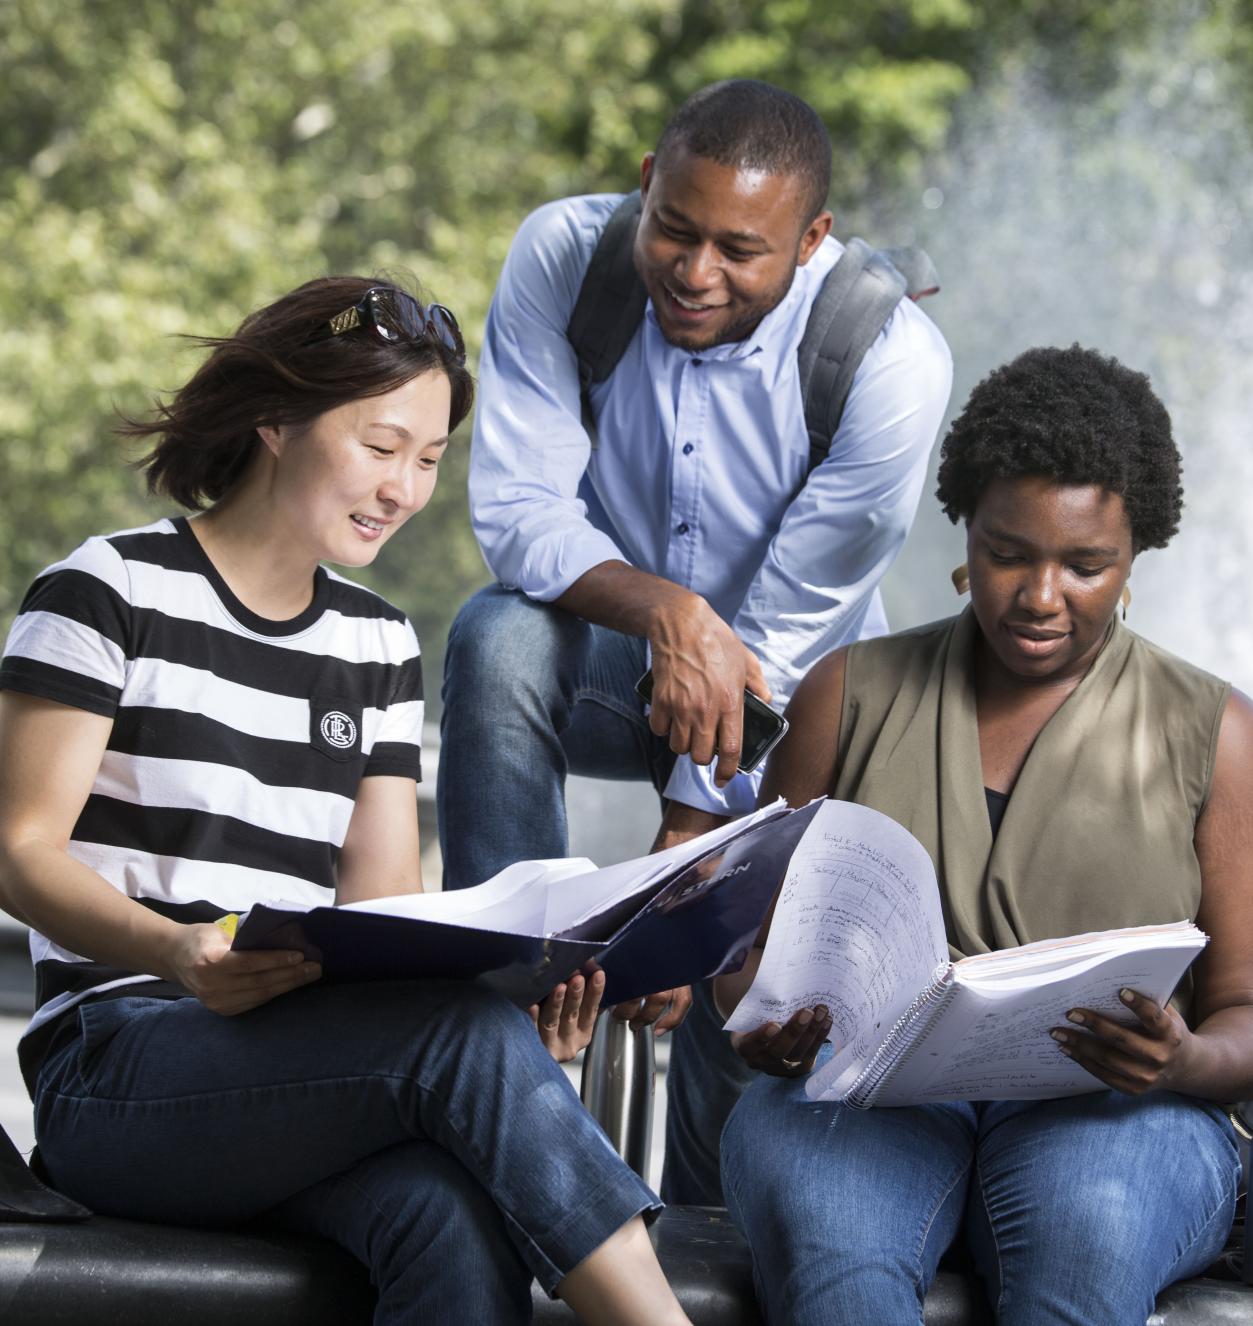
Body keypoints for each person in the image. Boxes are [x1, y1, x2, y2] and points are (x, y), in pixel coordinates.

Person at [0, 277, 694, 1326]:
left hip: (301, 1070)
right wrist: (179, 954)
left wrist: (516, 1029)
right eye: (381, 448)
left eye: (427, 461)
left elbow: (387, 918)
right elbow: (18, 852)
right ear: (276, 420)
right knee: (452, 1044)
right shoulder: (105, 591)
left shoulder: (376, 642)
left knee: (444, 1214)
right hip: (116, 1066)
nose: (404, 490)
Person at [438, 78, 953, 1203]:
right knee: (496, 638)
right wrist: (668, 613)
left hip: (800, 718)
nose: (692, 270)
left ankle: (712, 1239)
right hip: (621, 668)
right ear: (644, 188)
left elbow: (787, 626)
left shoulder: (889, 359)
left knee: (742, 1010)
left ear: (810, 240)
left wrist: (676, 900)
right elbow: (519, 512)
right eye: (673, 227)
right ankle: (504, 1032)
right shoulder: (562, 256)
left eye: (738, 249)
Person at [714, 344, 1253, 1325]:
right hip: (862, 1101)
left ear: (1132, 561)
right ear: (964, 536)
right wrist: (769, 1028)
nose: (1039, 595)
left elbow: (1245, 1010)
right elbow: (740, 966)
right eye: (1008, 553)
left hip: (1114, 1113)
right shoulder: (845, 696)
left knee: (1085, 1241)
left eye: (1083, 565)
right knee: (834, 1254)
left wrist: (1180, 1063)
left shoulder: (1213, 735)